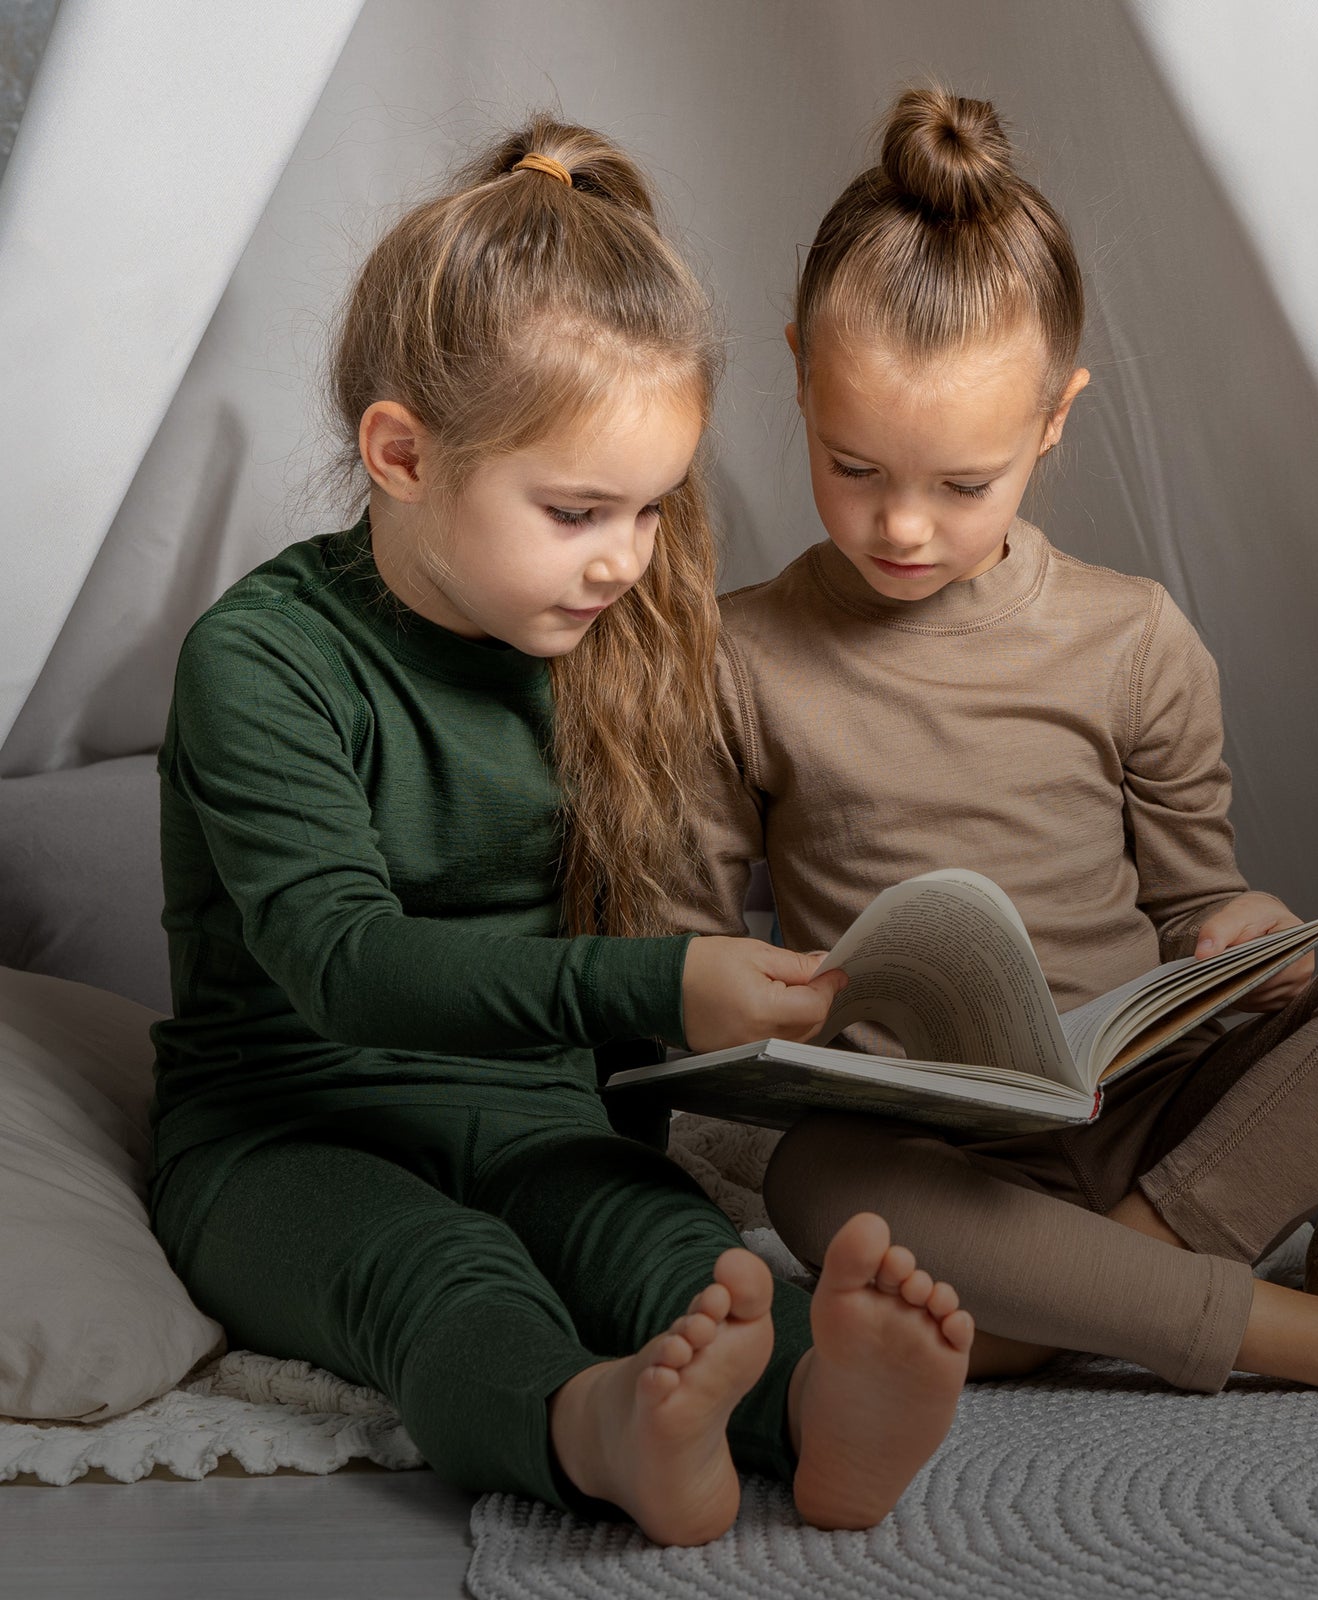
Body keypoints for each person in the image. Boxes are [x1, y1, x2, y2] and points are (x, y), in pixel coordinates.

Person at [676, 86, 1318, 1405]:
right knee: (821, 1178)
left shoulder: (1133, 637)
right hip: (933, 1141)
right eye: (854, 465)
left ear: (1055, 421)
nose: (903, 527)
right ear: (798, 375)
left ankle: (1095, 1285)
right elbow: (684, 945)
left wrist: (1240, 934)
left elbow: (1199, 898)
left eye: (963, 484)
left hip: (1151, 1112)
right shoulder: (740, 653)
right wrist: (725, 988)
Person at [146, 115, 976, 1548]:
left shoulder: (604, 638)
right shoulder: (261, 661)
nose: (626, 558)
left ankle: (821, 1410)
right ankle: (596, 1429)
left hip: (531, 1112)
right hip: (285, 1132)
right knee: (445, 1275)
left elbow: (599, 989)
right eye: (579, 510)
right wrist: (664, 979)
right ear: (402, 455)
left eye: (652, 510)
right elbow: (344, 963)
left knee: (669, 1248)